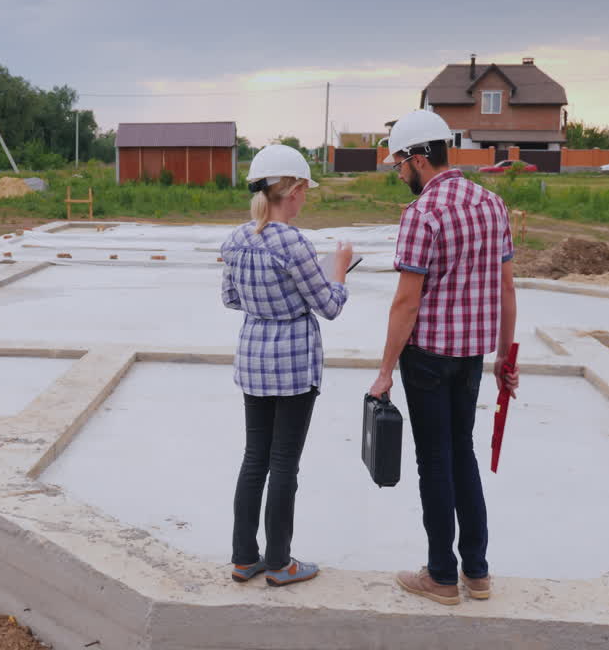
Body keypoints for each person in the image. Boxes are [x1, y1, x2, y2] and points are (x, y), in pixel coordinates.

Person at [368, 109, 519, 605]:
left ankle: (439, 575)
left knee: (434, 461)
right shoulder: (491, 203)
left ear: (417, 158)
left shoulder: (423, 214)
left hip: (428, 358)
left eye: (398, 164)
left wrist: (385, 371)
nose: (398, 173)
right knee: (463, 454)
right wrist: (504, 357)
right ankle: (477, 572)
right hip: (472, 356)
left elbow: (407, 301)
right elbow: (505, 288)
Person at [221, 144, 353, 587]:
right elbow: (329, 305)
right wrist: (339, 271)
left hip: (254, 359)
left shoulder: (236, 238)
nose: (305, 198)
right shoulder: (294, 242)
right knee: (284, 465)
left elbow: (230, 298)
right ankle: (279, 562)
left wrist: (268, 304)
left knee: (253, 458)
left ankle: (244, 558)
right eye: (304, 191)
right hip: (294, 365)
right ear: (293, 190)